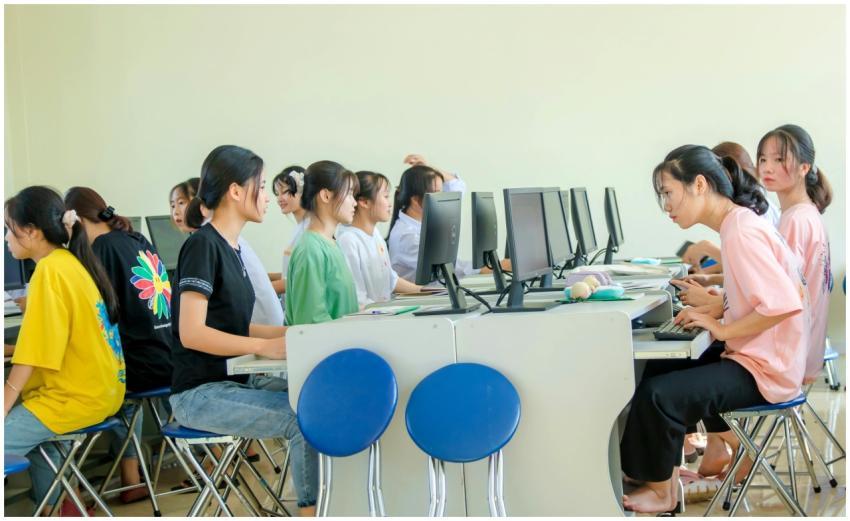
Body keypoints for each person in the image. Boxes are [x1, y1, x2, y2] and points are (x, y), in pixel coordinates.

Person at [620, 145, 809, 513]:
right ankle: (654, 472)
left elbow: (786, 303)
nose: (667, 207)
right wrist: (719, 307)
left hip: (766, 371)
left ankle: (662, 492)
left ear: (700, 184)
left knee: (660, 394)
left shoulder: (740, 230)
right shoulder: (738, 223)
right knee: (657, 368)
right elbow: (761, 295)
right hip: (762, 357)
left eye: (669, 194)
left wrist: (720, 330)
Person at [169, 145, 317, 515]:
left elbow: (234, 324)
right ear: (236, 191)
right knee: (305, 422)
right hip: (199, 394)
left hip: (234, 381)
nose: (267, 197)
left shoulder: (231, 248)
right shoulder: (202, 246)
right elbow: (192, 333)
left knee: (320, 396)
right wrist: (264, 347)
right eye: (262, 186)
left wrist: (292, 335)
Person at [4, 186, 126, 515]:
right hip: (104, 392)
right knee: (40, 446)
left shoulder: (48, 271)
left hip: (75, 398)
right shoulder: (71, 261)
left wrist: (4, 404)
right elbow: (53, 341)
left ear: (31, 232)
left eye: (8, 229)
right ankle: (61, 508)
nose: (5, 238)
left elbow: (34, 353)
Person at [65, 186, 174, 503]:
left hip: (142, 369)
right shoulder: (136, 239)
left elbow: (96, 309)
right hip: (169, 360)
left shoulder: (101, 249)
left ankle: (123, 479)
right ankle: (131, 478)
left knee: (107, 380)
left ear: (79, 222)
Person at [757, 124, 832, 385]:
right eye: (763, 159)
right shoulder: (807, 213)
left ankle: (725, 428)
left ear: (804, 167)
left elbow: (775, 297)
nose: (767, 168)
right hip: (807, 351)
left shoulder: (795, 221)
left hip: (788, 356)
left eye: (779, 160)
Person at [285, 160, 359, 325]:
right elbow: (311, 323)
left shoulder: (331, 243)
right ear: (326, 195)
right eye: (349, 194)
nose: (354, 202)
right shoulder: (311, 250)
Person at [338, 171, 422, 307]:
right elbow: (358, 300)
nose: (390, 204)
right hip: (368, 319)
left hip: (382, 314)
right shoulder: (348, 241)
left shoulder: (375, 233)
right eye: (385, 196)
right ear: (364, 202)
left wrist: (430, 291)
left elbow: (390, 280)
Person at [387, 165, 480, 281]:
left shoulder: (428, 218)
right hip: (421, 296)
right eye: (437, 193)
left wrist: (426, 166)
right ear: (415, 200)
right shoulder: (406, 236)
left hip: (437, 291)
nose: (442, 198)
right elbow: (445, 268)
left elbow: (457, 187)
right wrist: (482, 268)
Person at [271, 165, 309, 296]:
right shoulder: (299, 228)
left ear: (302, 190)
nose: (279, 199)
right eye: (277, 193)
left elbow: (300, 279)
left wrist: (261, 290)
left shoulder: (310, 230)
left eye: (285, 192)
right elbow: (290, 273)